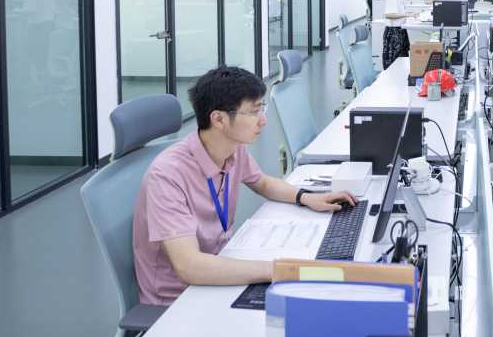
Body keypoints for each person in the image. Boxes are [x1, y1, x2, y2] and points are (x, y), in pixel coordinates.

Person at [133, 66, 356, 305]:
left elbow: (262, 182)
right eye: (254, 112)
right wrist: (279, 270)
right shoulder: (167, 176)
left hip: (221, 266)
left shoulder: (232, 147)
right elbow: (190, 267)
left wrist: (307, 197)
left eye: (262, 109)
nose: (263, 121)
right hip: (180, 299)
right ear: (218, 119)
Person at [382, 0, 418, 70]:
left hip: (400, 31)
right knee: (393, 64)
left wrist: (408, 16)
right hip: (393, 33)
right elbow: (389, 15)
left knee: (402, 61)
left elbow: (400, 13)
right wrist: (407, 15)